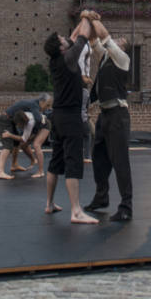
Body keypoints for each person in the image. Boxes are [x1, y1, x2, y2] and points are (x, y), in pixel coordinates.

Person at [43, 13, 100, 224]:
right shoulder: (69, 57)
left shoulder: (56, 60)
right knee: (73, 162)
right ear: (61, 48)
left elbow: (75, 36)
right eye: (61, 39)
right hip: (70, 117)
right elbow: (83, 35)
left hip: (57, 116)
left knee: (55, 161)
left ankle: (49, 203)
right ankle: (76, 211)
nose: (65, 37)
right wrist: (86, 15)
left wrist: (82, 18)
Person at [83, 19, 134, 221]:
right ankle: (101, 197)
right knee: (99, 158)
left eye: (122, 40)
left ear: (123, 48)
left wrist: (93, 16)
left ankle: (126, 206)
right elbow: (95, 39)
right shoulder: (105, 57)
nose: (118, 39)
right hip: (104, 115)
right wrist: (87, 21)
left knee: (120, 161)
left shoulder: (122, 59)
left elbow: (104, 36)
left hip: (118, 116)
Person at [0, 94, 51, 179]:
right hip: (5, 121)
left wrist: (33, 134)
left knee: (18, 143)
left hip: (10, 120)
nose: (48, 108)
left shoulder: (30, 114)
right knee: (7, 146)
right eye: (47, 105)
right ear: (42, 101)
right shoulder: (34, 105)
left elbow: (37, 121)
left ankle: (14, 165)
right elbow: (38, 120)